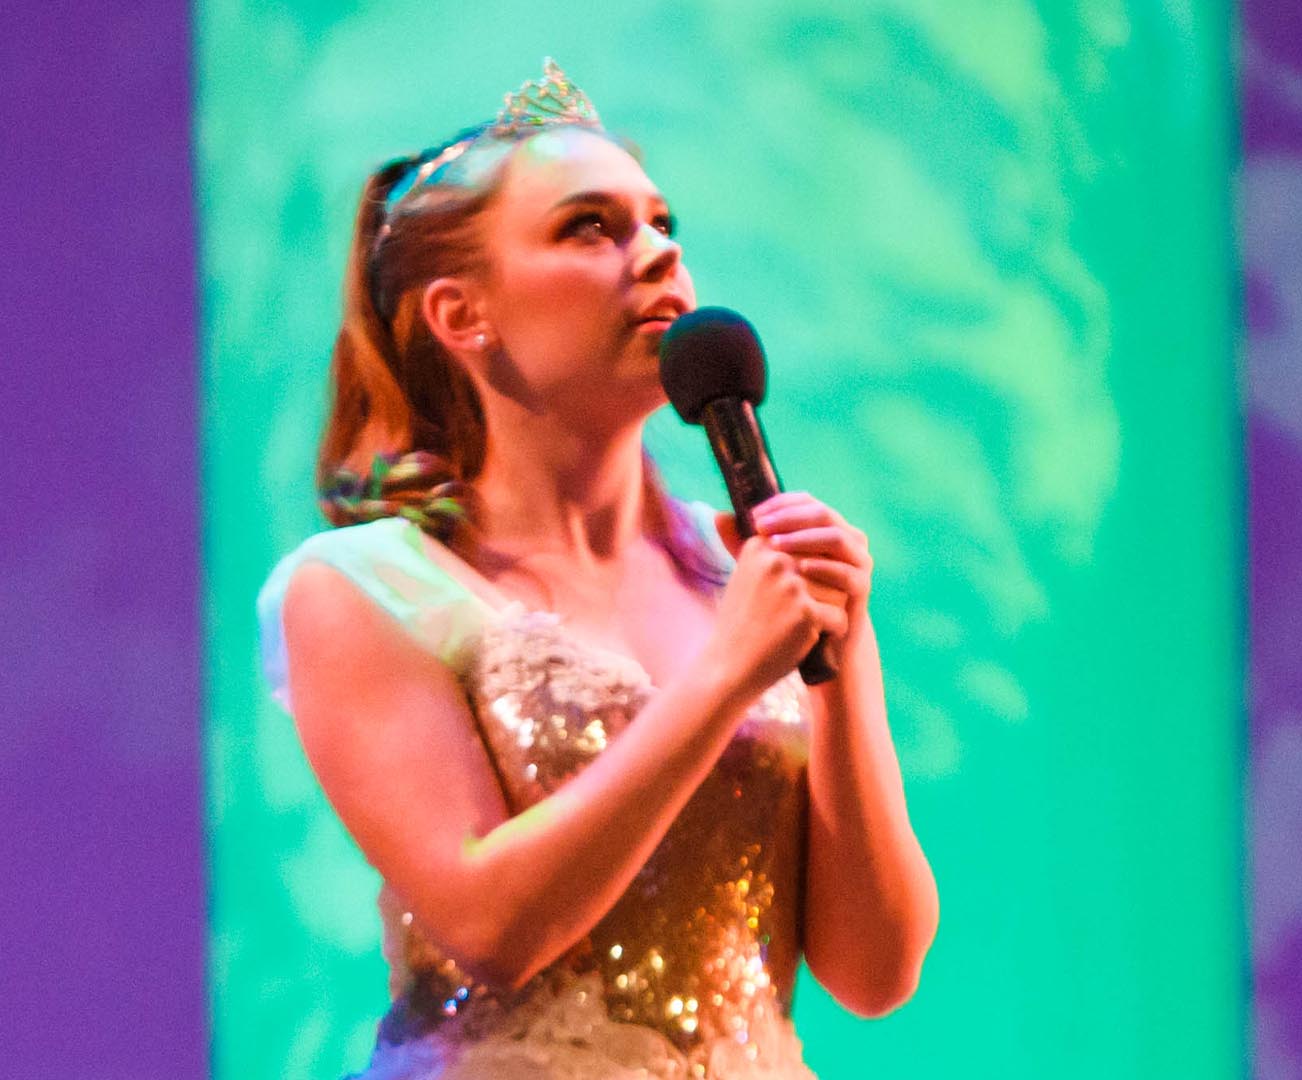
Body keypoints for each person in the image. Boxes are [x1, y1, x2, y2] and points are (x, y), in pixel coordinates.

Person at [256, 60, 938, 1079]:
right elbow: (493, 925)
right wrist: (726, 676)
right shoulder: (361, 587)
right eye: (591, 227)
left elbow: (875, 973)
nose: (657, 254)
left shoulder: (741, 576)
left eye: (663, 224)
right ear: (462, 314)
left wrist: (846, 660)